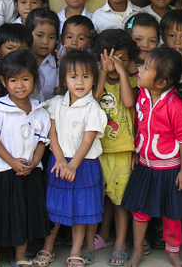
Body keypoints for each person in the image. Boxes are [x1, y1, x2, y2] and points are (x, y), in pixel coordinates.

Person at [0, 50, 53, 267]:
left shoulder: (39, 111)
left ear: (34, 80)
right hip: (2, 172)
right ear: (3, 82)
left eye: (25, 79)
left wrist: (35, 162)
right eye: (13, 80)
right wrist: (12, 162)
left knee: (24, 216)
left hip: (28, 172)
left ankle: (20, 256)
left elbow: (40, 142)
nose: (20, 85)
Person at [121, 47, 182, 267]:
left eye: (145, 69)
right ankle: (137, 251)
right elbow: (141, 125)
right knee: (139, 212)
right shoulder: (143, 94)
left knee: (171, 215)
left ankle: (173, 252)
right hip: (145, 165)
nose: (140, 71)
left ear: (161, 83)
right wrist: (137, 150)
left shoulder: (175, 106)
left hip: (170, 169)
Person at [42, 51, 108, 267]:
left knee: (81, 212)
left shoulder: (94, 109)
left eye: (86, 77)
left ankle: (76, 251)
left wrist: (72, 165)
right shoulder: (55, 103)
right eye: (73, 77)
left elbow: (87, 141)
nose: (80, 82)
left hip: (84, 165)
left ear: (94, 80)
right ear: (64, 80)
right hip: (59, 163)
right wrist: (60, 160)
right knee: (55, 208)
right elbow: (52, 133)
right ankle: (47, 248)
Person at [91, 30, 140, 266]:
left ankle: (120, 243)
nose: (114, 65)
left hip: (122, 150)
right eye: (109, 60)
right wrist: (102, 71)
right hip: (98, 151)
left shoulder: (132, 83)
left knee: (120, 201)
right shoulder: (95, 81)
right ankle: (99, 236)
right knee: (100, 198)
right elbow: (93, 99)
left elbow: (129, 102)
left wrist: (122, 71)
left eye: (121, 59)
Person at [26, 8, 61, 101]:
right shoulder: (21, 62)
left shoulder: (56, 65)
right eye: (40, 36)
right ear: (28, 34)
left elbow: (59, 93)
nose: (45, 42)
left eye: (51, 37)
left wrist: (63, 70)